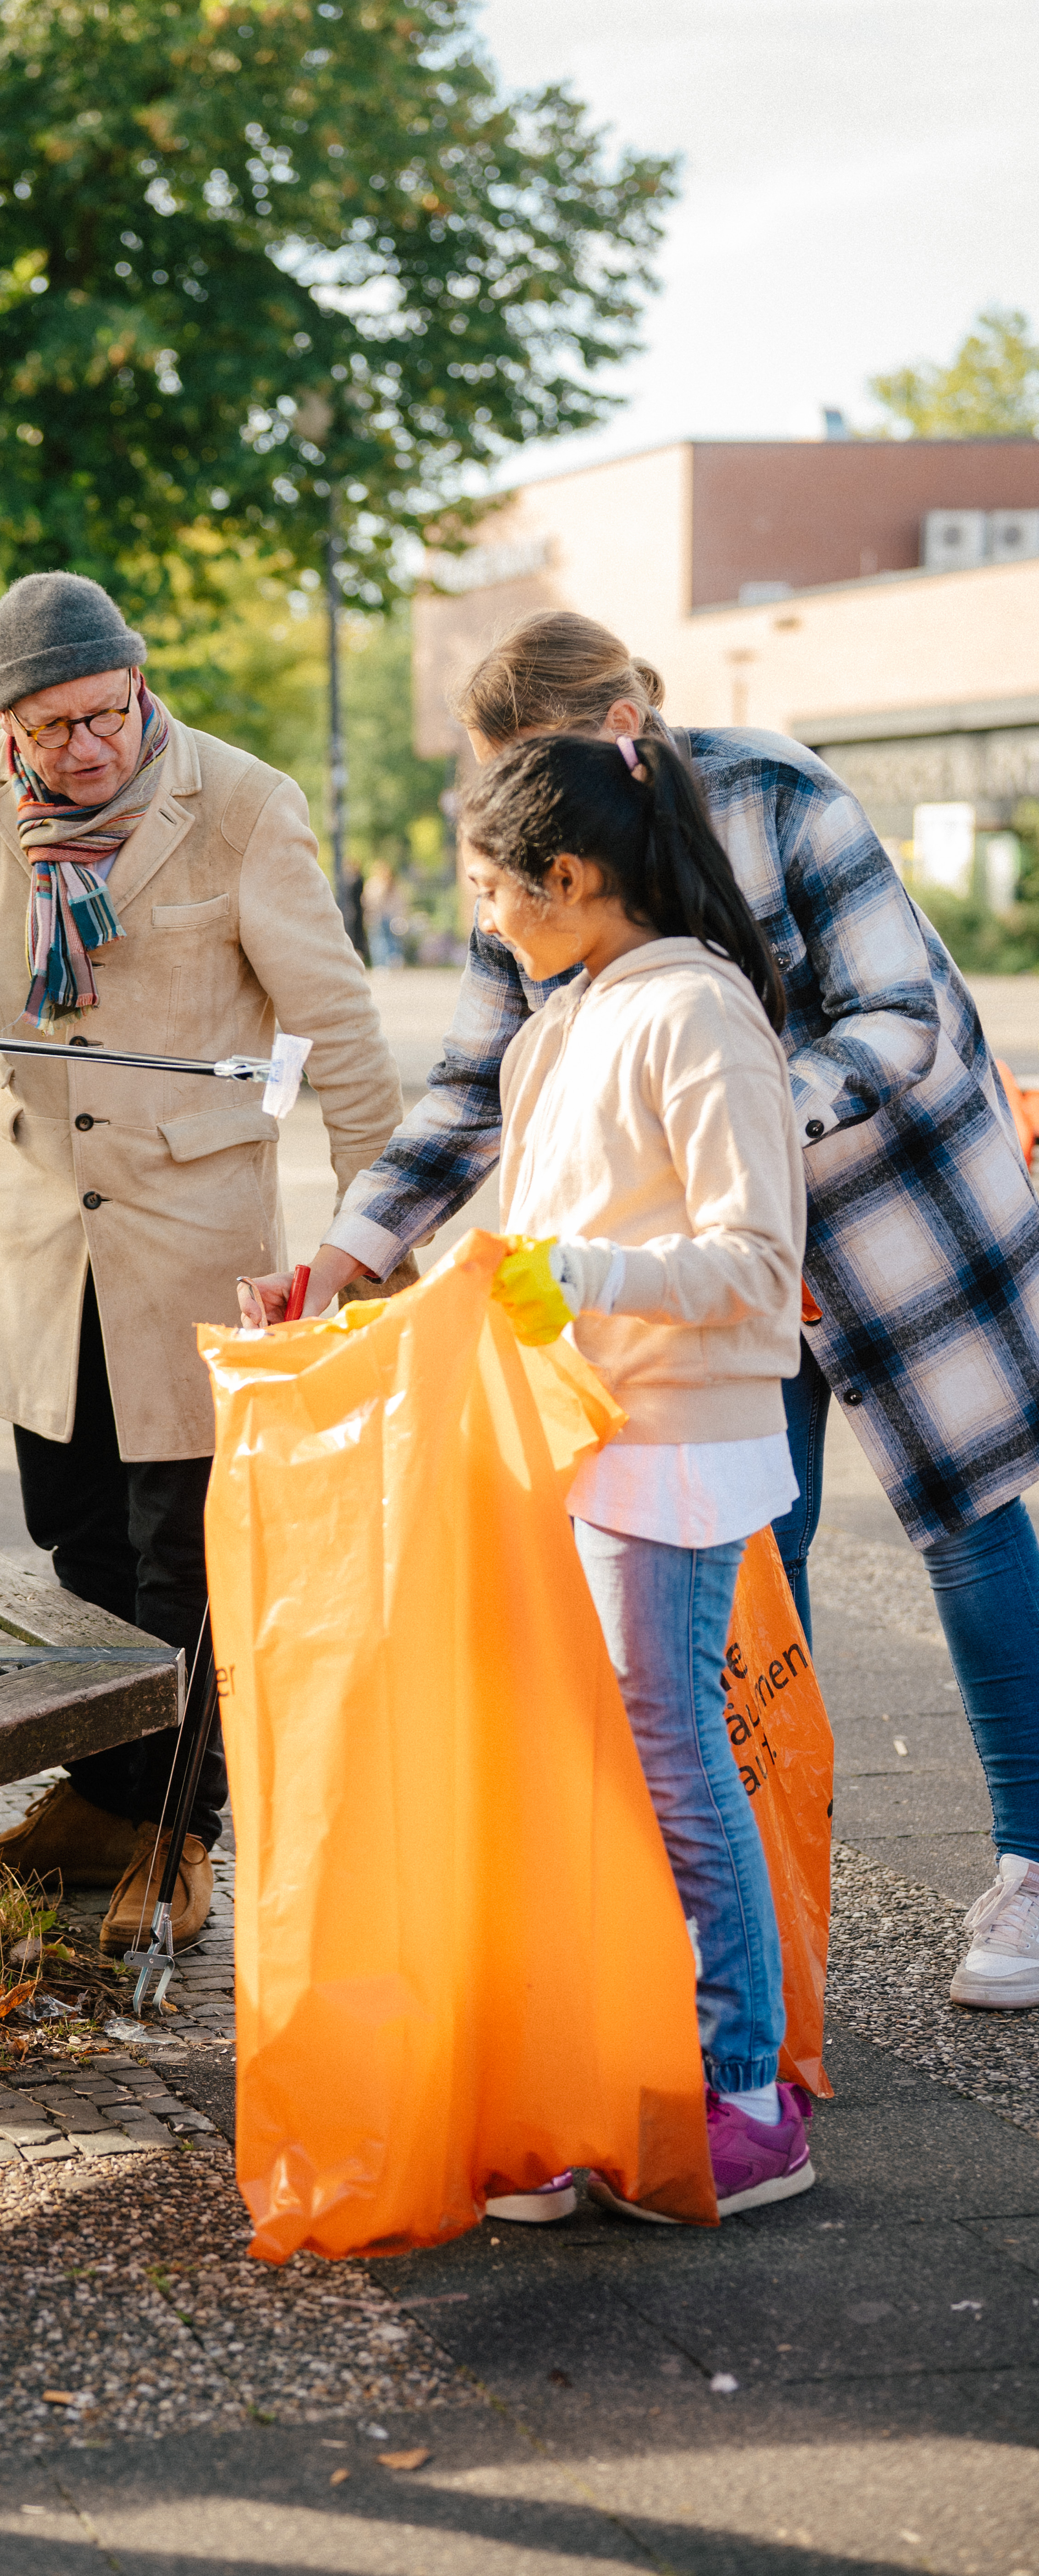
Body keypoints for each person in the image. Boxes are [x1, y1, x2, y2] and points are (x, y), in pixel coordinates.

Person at [262, 610, 1039, 2016]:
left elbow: (894, 1011)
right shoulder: (546, 857)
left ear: (622, 733)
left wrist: (741, 1128)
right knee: (753, 1546)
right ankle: (774, 1861)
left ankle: (1036, 1862)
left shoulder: (781, 796)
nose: (516, 831)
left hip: (885, 1199)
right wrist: (347, 1254)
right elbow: (467, 1087)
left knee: (970, 1524)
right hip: (708, 1248)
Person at [0, 572, 404, 1952]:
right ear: (7, 725)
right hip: (39, 1239)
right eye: (49, 727)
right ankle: (101, 1800)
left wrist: (365, 1246)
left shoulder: (244, 805)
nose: (83, 749)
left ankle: (179, 1841)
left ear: (139, 685)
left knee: (182, 1562)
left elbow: (347, 1037)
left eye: (103, 715)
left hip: (199, 1244)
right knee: (71, 1540)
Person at [471, 730, 812, 2220]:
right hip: (584, 1434)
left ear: (568, 876)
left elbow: (756, 1261)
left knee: (673, 1764)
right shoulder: (568, 1017)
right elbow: (526, 1228)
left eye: (492, 887)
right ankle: (616, 2072)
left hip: (673, 1442)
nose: (484, 917)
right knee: (600, 1771)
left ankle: (747, 2091)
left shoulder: (697, 1014)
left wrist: (578, 1272)